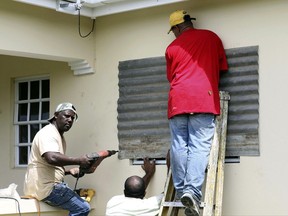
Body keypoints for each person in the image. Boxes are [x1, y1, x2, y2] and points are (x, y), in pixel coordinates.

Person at [165, 10, 228, 216]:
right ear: (189, 22)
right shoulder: (211, 37)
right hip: (203, 98)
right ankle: (191, 192)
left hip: (178, 100)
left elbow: (171, 76)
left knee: (179, 145)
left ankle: (182, 191)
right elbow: (221, 68)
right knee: (199, 145)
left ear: (176, 27)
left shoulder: (172, 48)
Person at [24, 102, 94, 216]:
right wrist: (79, 160)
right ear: (56, 115)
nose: (70, 120)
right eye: (67, 116)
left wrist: (68, 171)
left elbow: (48, 166)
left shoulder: (58, 135)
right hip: (47, 188)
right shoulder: (48, 133)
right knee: (83, 208)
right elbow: (51, 158)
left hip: (45, 187)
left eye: (72, 118)